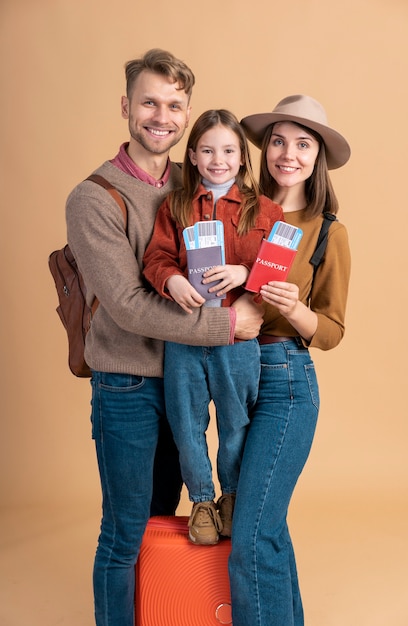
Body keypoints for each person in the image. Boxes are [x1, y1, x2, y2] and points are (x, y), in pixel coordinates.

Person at [65, 49, 263, 626]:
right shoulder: (94, 198)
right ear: (127, 107)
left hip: (191, 380)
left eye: (175, 105)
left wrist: (254, 280)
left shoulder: (200, 182)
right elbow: (127, 305)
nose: (162, 116)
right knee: (126, 530)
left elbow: (249, 246)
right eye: (149, 101)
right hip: (127, 385)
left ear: (188, 113)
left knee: (163, 518)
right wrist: (227, 326)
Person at [228, 94, 351, 625]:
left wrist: (295, 310)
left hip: (286, 380)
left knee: (253, 533)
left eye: (303, 144)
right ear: (265, 148)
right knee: (261, 527)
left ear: (317, 156)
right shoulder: (237, 211)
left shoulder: (327, 231)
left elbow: (331, 331)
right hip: (231, 376)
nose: (288, 154)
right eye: (278, 140)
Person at [143, 109, 284, 546]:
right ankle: (202, 500)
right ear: (192, 155)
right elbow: (156, 257)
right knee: (186, 424)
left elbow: (276, 271)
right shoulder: (176, 205)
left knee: (236, 422)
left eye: (227, 150)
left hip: (238, 341)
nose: (217, 159)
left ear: (243, 157)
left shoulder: (266, 210)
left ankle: (232, 497)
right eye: (207, 150)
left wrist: (246, 276)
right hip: (186, 335)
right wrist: (172, 279)